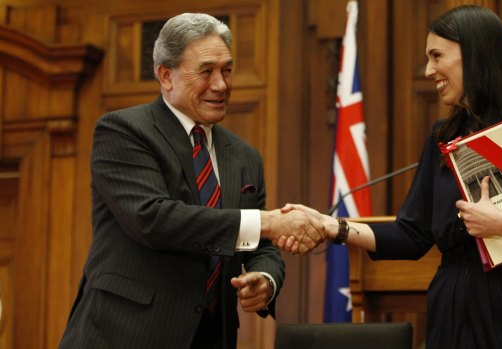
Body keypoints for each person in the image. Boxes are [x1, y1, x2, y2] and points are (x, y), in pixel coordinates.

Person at [283, 5, 502, 349]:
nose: (428, 70)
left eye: (437, 56)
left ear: (476, 55)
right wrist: (335, 227)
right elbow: (411, 234)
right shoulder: (441, 138)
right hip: (452, 312)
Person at [58, 13, 324, 349]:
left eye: (227, 70)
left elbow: (260, 242)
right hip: (124, 334)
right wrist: (270, 221)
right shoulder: (124, 131)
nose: (221, 84)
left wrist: (266, 279)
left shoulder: (244, 156)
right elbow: (152, 218)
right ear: (166, 76)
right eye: (206, 71)